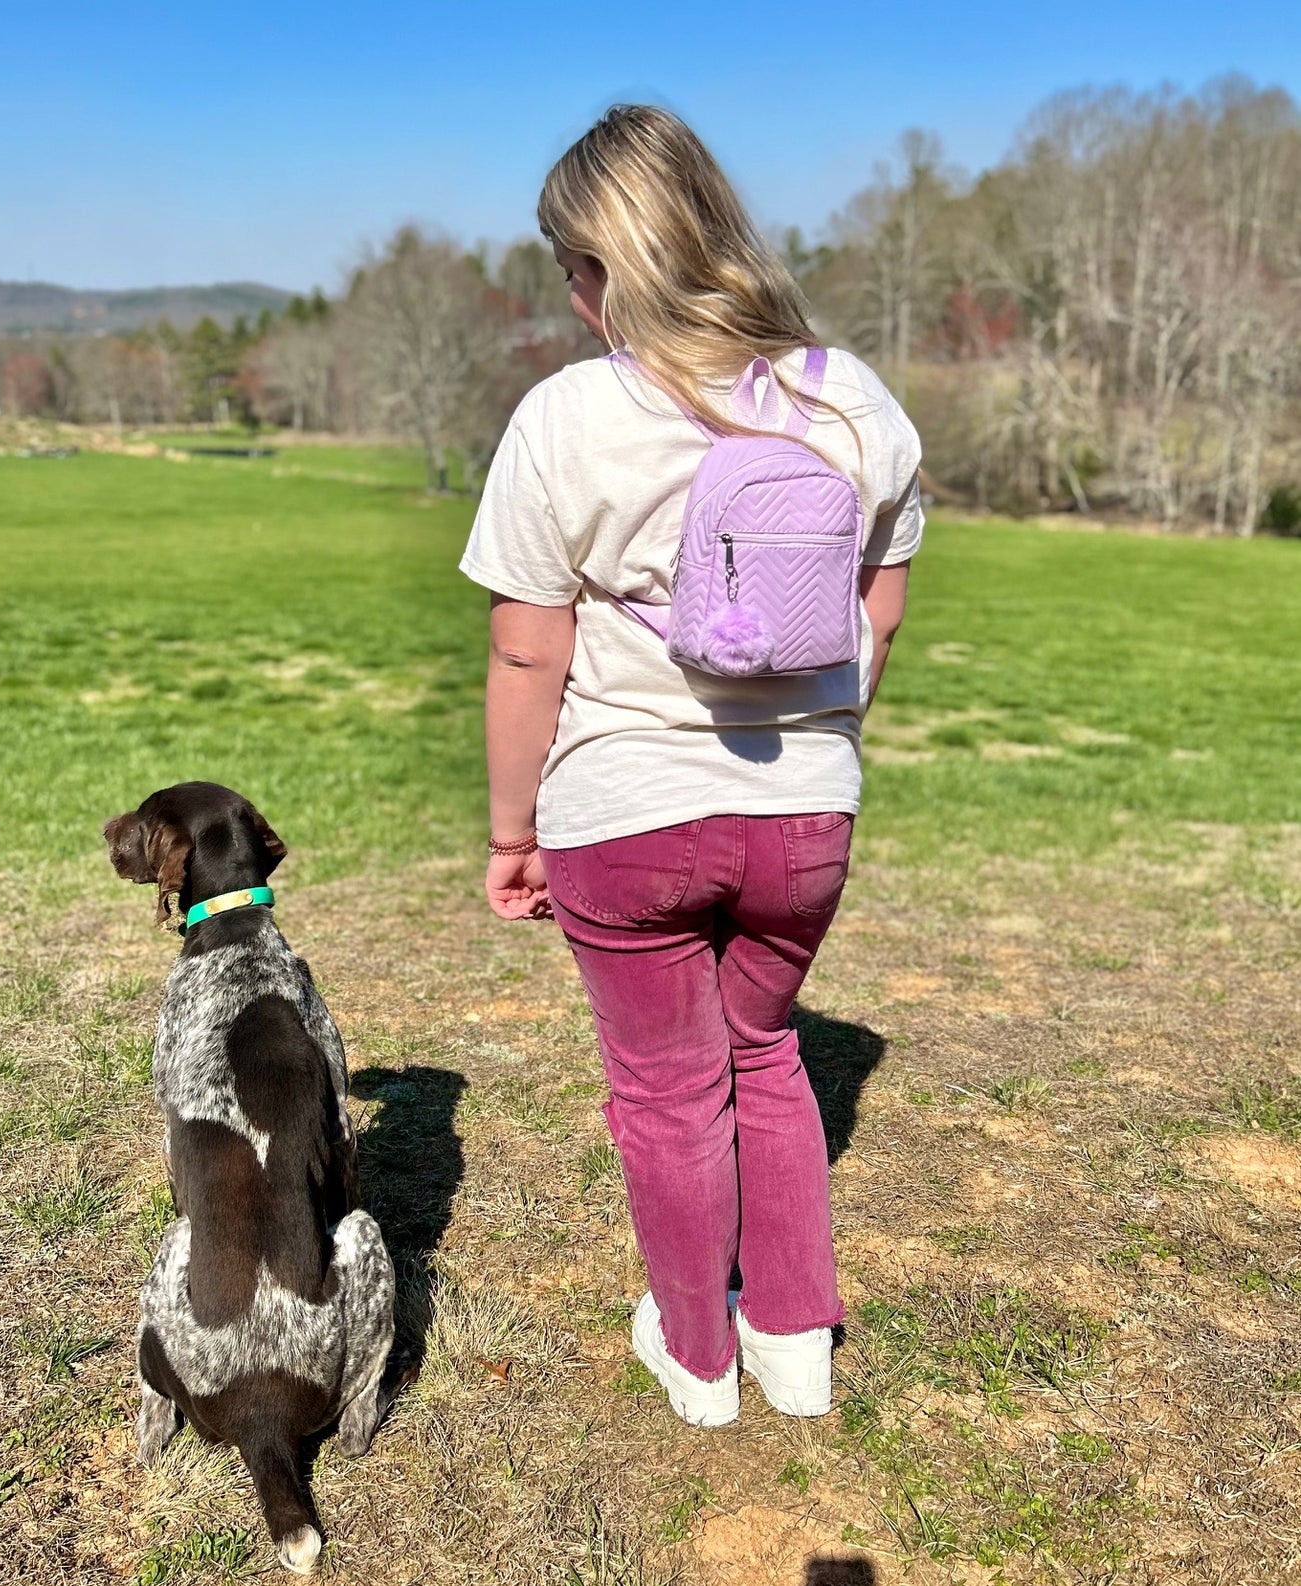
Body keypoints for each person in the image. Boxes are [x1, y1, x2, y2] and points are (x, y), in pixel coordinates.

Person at [459, 106, 921, 1426]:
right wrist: (824, 741)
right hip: (802, 816)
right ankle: (792, 1342)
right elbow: (877, 608)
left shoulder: (566, 416)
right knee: (763, 1051)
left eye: (572, 265)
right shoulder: (853, 400)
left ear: (608, 267)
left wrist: (512, 833)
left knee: (665, 1088)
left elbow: (524, 651)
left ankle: (696, 1354)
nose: (569, 294)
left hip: (624, 810)